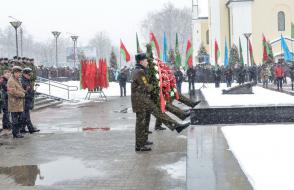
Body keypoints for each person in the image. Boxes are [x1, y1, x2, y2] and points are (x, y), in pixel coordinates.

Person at [131, 53, 190, 152]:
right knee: (146, 119)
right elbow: (146, 86)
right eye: (145, 61)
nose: (146, 62)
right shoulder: (139, 72)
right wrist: (156, 86)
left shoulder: (138, 71)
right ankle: (140, 145)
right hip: (141, 100)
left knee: (144, 121)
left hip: (142, 100)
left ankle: (142, 142)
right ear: (141, 62)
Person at [7, 66, 26, 138]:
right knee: (15, 120)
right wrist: (22, 94)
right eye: (18, 73)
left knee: (21, 118)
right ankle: (15, 133)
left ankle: (17, 132)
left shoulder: (16, 79)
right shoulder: (11, 80)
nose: (20, 74)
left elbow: (19, 88)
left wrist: (24, 91)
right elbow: (12, 92)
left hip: (18, 103)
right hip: (14, 103)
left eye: (20, 73)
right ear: (14, 72)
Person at [20, 68, 40, 134]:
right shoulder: (23, 81)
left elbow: (29, 89)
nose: (29, 76)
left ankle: (22, 129)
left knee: (25, 116)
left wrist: (33, 92)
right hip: (25, 100)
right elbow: (23, 92)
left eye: (30, 74)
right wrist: (29, 94)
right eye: (28, 74)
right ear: (24, 74)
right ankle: (30, 129)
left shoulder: (27, 80)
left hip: (28, 100)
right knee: (26, 116)